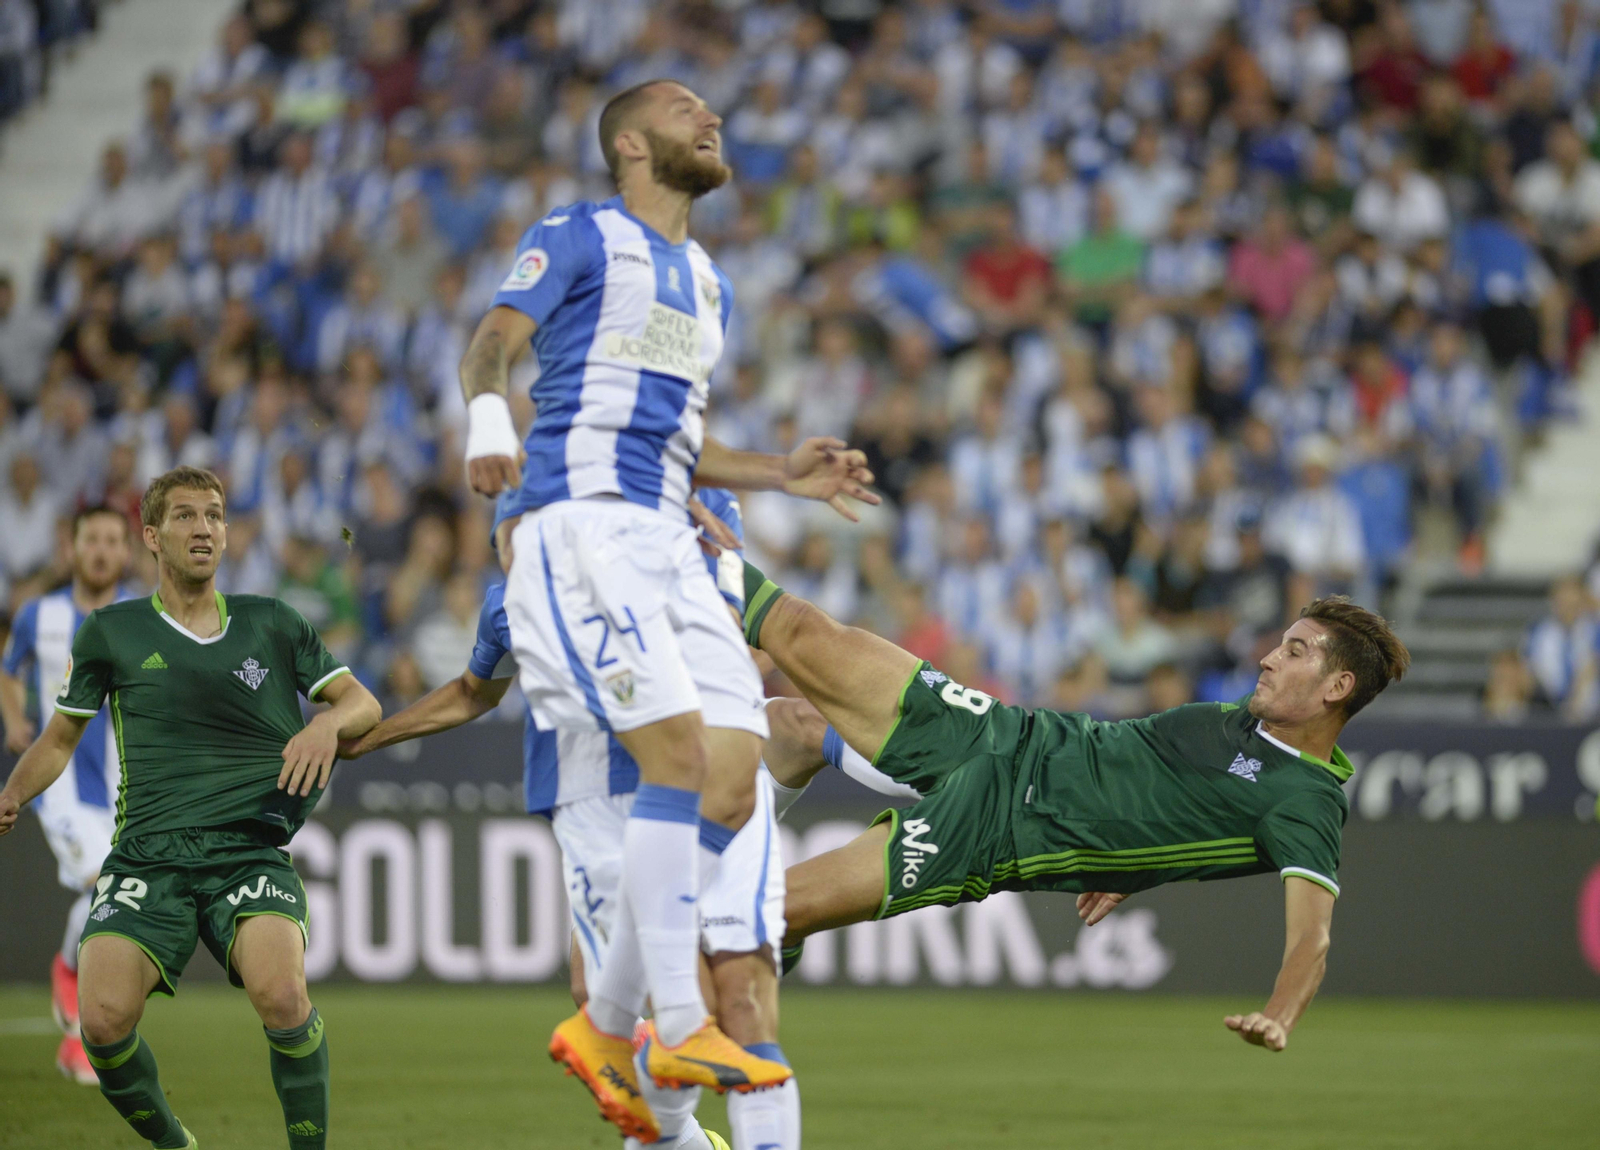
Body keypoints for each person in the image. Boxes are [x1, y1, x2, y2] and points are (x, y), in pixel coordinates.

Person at [455, 77, 873, 1131]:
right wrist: (489, 425)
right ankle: (675, 1018)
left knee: (732, 775)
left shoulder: (711, 283)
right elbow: (491, 341)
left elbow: (680, 440)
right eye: (687, 110)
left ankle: (606, 1021)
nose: (711, 118)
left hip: (670, 540)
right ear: (632, 145)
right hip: (581, 525)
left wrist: (779, 473)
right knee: (681, 758)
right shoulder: (581, 235)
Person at [740, 560, 1409, 1054]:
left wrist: (1279, 1014)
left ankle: (728, 1018)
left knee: (765, 910)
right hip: (1001, 734)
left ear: (1337, 687)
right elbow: (1182, 793)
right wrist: (1135, 865)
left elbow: (1312, 939)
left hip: (991, 830)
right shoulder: (1248, 721)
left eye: (1294, 652)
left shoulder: (1306, 802)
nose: (1267, 658)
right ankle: (677, 512)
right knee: (795, 641)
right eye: (1279, 643)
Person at [339, 490, 798, 1150]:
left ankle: (693, 1119)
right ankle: (687, 1135)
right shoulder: (507, 605)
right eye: (506, 541)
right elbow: (472, 691)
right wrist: (374, 737)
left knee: (693, 995)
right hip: (592, 801)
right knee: (599, 993)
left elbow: (760, 643)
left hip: (681, 785)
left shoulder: (662, 548)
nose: (514, 550)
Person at [0, 466, 382, 1150]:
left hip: (248, 852)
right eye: (185, 515)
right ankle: (177, 1146)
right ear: (152, 536)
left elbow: (362, 703)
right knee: (101, 1022)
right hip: (146, 855)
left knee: (283, 996)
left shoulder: (272, 622)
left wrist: (326, 724)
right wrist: (11, 794)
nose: (203, 528)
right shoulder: (109, 632)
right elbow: (58, 740)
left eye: (214, 515)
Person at [0, 506, 133, 1085]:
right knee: (104, 885)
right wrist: (13, 720)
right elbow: (8, 670)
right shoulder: (39, 614)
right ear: (71, 548)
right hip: (62, 786)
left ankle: (76, 1010)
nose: (101, 550)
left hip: (125, 788)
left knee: (118, 901)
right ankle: (74, 996)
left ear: (127, 551)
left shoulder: (138, 617)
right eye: (91, 539)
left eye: (112, 540)